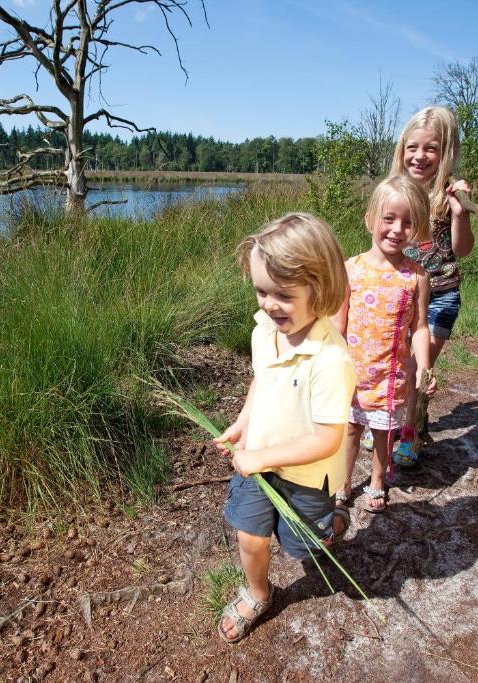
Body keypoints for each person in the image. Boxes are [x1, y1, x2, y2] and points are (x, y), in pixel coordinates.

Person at [213, 212, 357, 644]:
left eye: (283, 294)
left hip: (306, 478)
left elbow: (326, 438)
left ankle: (331, 524)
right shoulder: (264, 332)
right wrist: (243, 424)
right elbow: (262, 378)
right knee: (250, 537)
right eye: (261, 291)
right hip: (259, 467)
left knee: (301, 548)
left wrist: (261, 456)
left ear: (321, 286)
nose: (269, 304)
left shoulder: (331, 360)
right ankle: (259, 592)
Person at [332, 175, 437, 513]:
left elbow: (420, 327)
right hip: (353, 374)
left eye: (407, 223)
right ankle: (343, 482)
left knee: (382, 434)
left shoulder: (417, 276)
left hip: (390, 377)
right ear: (370, 220)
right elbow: (338, 324)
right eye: (388, 219)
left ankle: (377, 480)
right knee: (350, 430)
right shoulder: (350, 269)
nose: (396, 229)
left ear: (417, 229)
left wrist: (423, 366)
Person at [392, 106, 475, 446]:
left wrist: (460, 214)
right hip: (403, 293)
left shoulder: (453, 192)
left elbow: (463, 248)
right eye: (412, 147)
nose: (420, 156)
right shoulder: (395, 191)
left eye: (431, 148)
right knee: (398, 365)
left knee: (417, 368)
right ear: (402, 149)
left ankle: (410, 433)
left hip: (441, 295)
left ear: (445, 152)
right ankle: (397, 420)